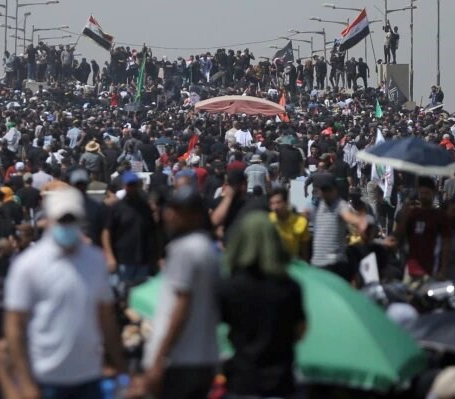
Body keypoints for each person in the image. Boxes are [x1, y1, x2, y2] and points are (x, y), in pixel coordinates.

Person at [5, 187, 127, 399]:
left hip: (89, 377)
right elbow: (14, 326)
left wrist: (121, 369)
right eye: (63, 220)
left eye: (73, 220)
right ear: (50, 220)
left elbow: (106, 319)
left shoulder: (96, 260)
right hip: (45, 378)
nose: (68, 226)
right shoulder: (28, 265)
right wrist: (25, 382)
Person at [135, 187, 219, 399]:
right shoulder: (208, 250)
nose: (169, 215)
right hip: (204, 358)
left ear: (195, 216)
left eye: (178, 211)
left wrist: (159, 358)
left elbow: (181, 306)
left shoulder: (184, 249)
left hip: (179, 360)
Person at [218, 212, 306, 399]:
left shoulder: (230, 287)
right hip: (281, 383)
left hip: (242, 382)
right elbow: (300, 331)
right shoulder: (289, 287)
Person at [102, 171, 157, 292]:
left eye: (134, 184)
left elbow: (152, 231)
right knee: (121, 293)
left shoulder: (145, 207)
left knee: (140, 295)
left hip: (143, 259)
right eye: (129, 185)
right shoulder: (117, 208)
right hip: (123, 260)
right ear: (124, 186)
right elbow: (107, 232)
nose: (131, 188)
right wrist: (110, 257)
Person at [393, 178, 452, 281]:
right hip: (411, 267)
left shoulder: (440, 216)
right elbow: (398, 237)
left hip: (432, 269)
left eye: (427, 193)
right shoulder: (412, 215)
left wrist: (444, 270)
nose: (424, 196)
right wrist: (405, 216)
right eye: (422, 193)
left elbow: (446, 243)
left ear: (434, 194)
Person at [307, 173, 361, 278]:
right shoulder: (319, 205)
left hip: (334, 263)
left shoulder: (340, 205)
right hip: (317, 262)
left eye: (328, 190)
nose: (325, 193)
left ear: (335, 190)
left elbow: (348, 216)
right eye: (322, 190)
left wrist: (360, 221)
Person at [268, 189, 309, 260]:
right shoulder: (268, 220)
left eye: (278, 202)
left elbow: (304, 249)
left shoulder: (301, 222)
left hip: (293, 263)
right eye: (272, 203)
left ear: (286, 203)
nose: (275, 207)